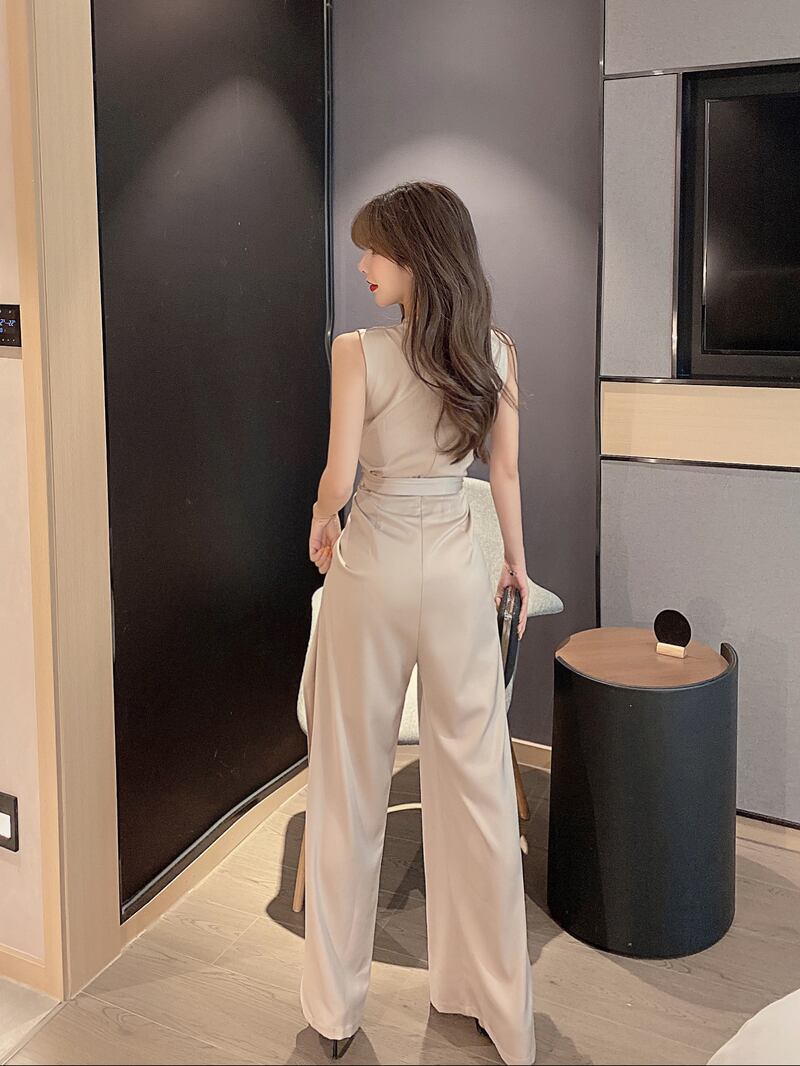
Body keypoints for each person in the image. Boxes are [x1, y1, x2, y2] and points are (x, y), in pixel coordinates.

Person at [299, 180, 536, 1065]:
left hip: (375, 567)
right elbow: (503, 474)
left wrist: (322, 520)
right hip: (457, 570)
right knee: (478, 788)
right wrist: (515, 563)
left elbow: (340, 477)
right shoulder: (496, 353)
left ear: (420, 257)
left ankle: (333, 1012)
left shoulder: (357, 351)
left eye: (377, 250)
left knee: (348, 783)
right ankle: (494, 1006)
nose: (362, 264)